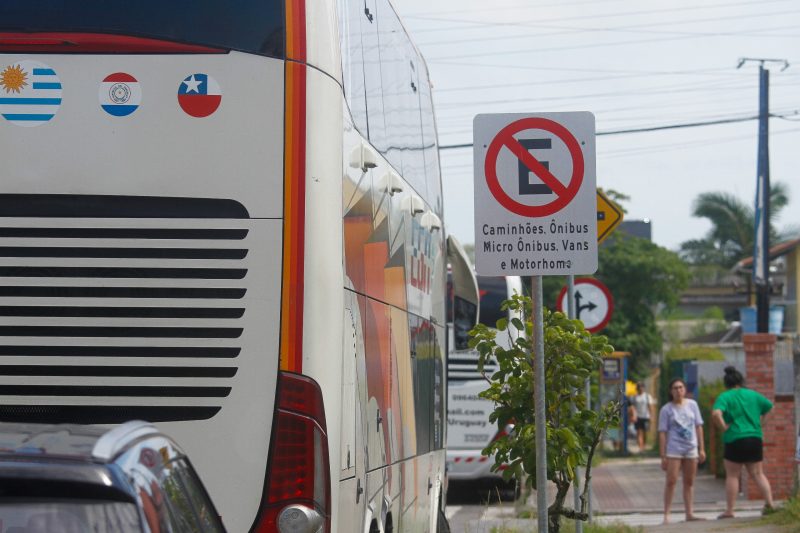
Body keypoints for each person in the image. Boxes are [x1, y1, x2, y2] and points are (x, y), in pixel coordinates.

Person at [712, 366, 775, 519]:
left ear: (726, 383)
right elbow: (770, 408)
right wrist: (761, 425)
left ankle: (730, 510)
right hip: (754, 438)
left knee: (733, 475)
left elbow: (715, 413)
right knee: (758, 473)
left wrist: (723, 428)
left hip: (734, 439)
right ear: (741, 381)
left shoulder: (725, 396)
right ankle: (770, 505)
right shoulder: (753, 395)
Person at [658, 377, 706, 524]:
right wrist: (663, 455)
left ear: (685, 390)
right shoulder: (666, 409)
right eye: (675, 388)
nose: (678, 391)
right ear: (671, 391)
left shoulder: (693, 405)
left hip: (691, 448)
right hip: (674, 449)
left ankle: (689, 513)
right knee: (671, 481)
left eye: (681, 388)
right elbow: (662, 432)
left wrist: (701, 449)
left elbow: (699, 427)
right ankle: (666, 514)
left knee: (689, 481)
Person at [629, 382, 656, 453]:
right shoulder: (635, 397)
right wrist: (633, 416)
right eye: (639, 387)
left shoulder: (647, 396)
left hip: (646, 416)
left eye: (642, 387)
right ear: (637, 388)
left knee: (644, 432)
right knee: (639, 432)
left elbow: (650, 407)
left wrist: (651, 416)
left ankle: (643, 446)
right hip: (637, 417)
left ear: (644, 388)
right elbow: (632, 407)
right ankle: (641, 448)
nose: (641, 388)